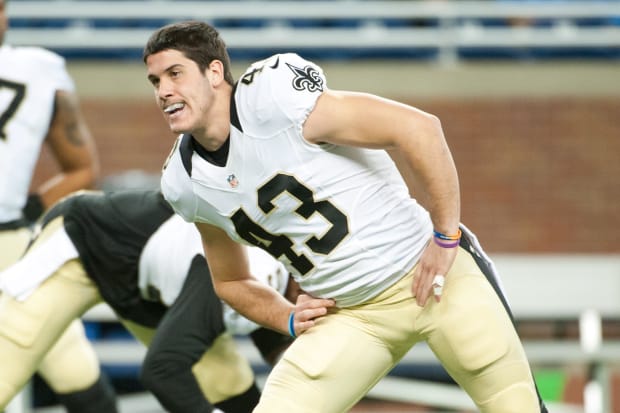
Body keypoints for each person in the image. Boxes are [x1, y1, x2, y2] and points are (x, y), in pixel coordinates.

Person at [145, 20, 549, 413]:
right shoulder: (186, 180)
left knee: (515, 405)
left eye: (175, 74)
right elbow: (231, 280)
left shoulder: (272, 101)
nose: (164, 91)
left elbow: (418, 128)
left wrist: (445, 237)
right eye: (156, 81)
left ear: (214, 71)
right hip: (352, 315)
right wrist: (285, 317)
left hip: (428, 274)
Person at [0, 189, 295, 413]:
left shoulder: (279, 271)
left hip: (148, 285)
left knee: (227, 383)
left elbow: (280, 348)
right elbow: (162, 371)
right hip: (82, 245)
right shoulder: (246, 270)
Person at [0, 1, 114, 411]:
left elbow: (82, 169)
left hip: (10, 245)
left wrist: (25, 211)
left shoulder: (37, 70)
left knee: (75, 371)